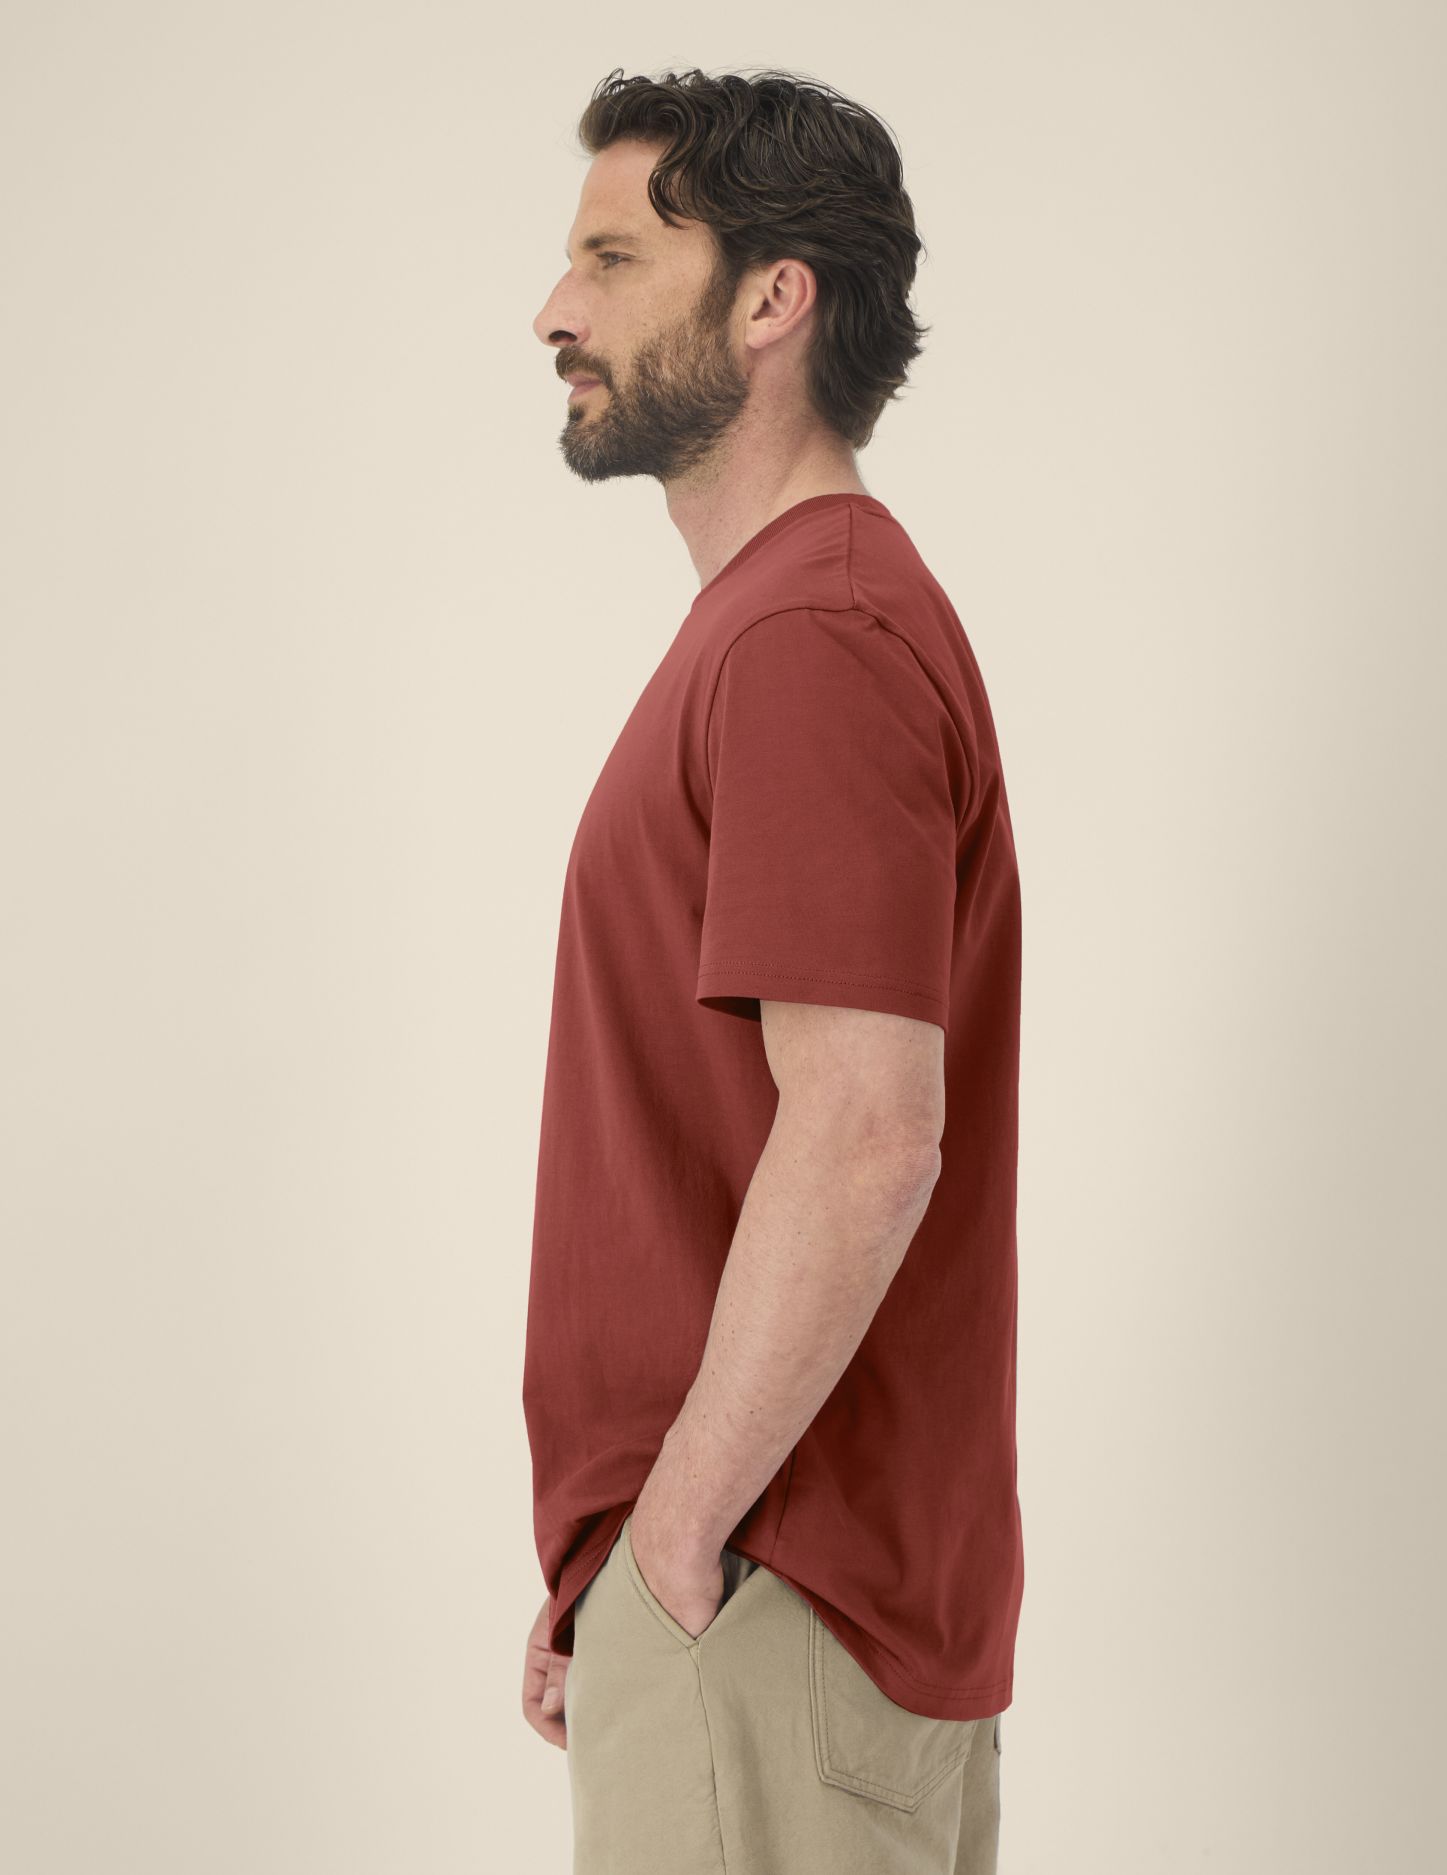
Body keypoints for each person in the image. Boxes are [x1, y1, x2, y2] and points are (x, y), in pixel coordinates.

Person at [521, 65, 1023, 1874]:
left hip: (761, 1595)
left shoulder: (813, 632)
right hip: (778, 1596)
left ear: (770, 300)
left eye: (612, 258)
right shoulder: (802, 618)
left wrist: (669, 1542)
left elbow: (870, 1133)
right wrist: (627, 1566)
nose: (554, 310)